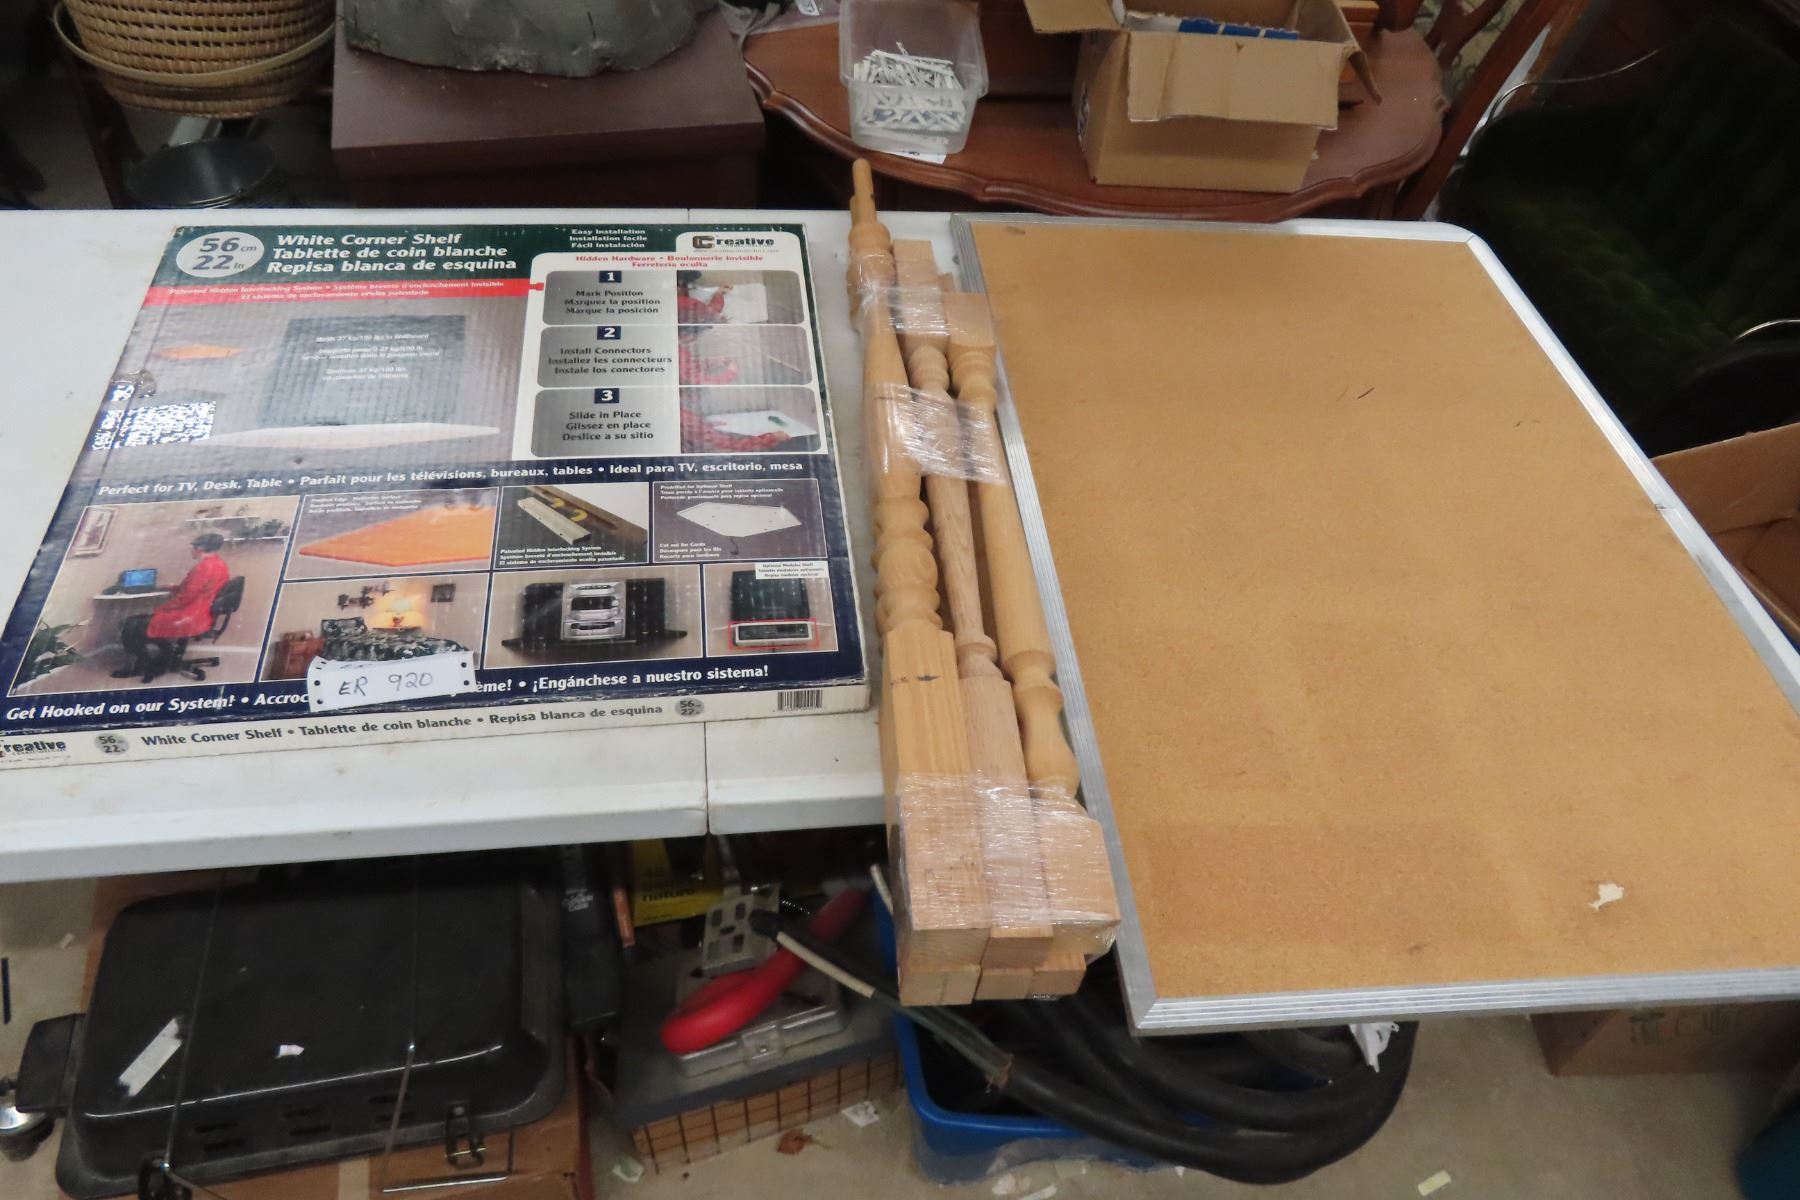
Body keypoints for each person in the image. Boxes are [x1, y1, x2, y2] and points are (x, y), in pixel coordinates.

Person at [112, 532, 231, 682]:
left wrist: (161, 609)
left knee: (128, 625)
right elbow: (196, 590)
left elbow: (185, 597)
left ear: (200, 548)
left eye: (193, 547)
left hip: (189, 617)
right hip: (203, 615)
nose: (192, 550)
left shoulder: (203, 568)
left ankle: (144, 664)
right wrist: (169, 587)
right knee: (140, 623)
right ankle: (167, 654)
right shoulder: (220, 564)